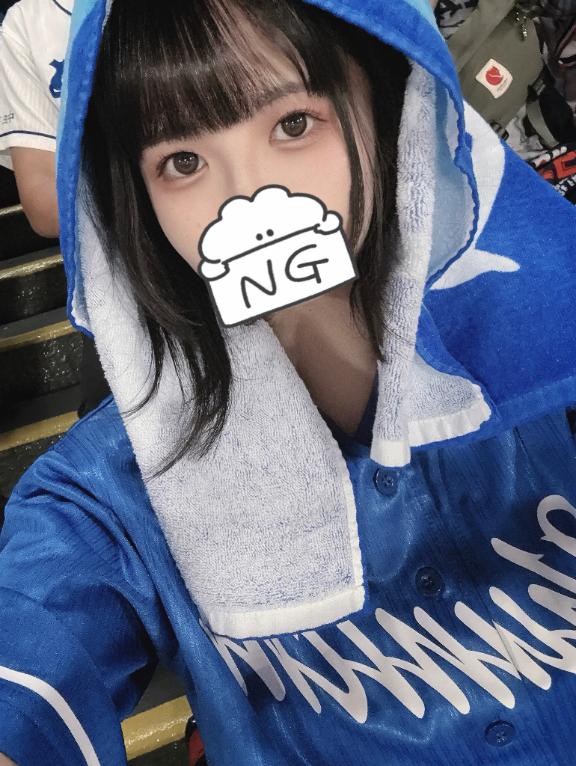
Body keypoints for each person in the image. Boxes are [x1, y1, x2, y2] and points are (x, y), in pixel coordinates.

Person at [1, 0, 576, 764]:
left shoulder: (552, 349)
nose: (248, 198)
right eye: (182, 163)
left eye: (294, 124)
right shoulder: (109, 490)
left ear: (388, 106)